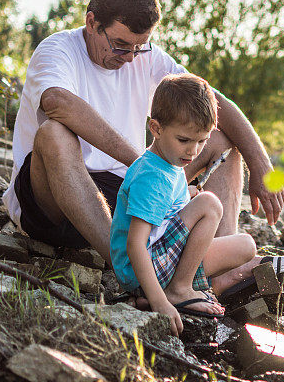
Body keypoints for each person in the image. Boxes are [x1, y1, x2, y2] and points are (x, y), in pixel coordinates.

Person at [1, 0, 284, 266]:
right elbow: (56, 101)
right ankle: (129, 268)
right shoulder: (57, 50)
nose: (130, 58)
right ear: (91, 23)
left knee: (222, 139)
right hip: (54, 201)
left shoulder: (145, 56)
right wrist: (142, 163)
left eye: (140, 46)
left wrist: (261, 164)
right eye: (121, 45)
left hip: (125, 196)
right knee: (53, 133)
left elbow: (214, 103)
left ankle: (220, 266)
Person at [110, 74, 256, 334]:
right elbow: (135, 244)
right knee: (209, 204)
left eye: (202, 141)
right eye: (184, 140)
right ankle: (178, 290)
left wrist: (184, 195)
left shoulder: (170, 162)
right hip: (141, 268)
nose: (193, 151)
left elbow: (165, 213)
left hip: (156, 261)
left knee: (246, 246)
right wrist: (160, 303)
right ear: (155, 128)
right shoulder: (153, 177)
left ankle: (175, 287)